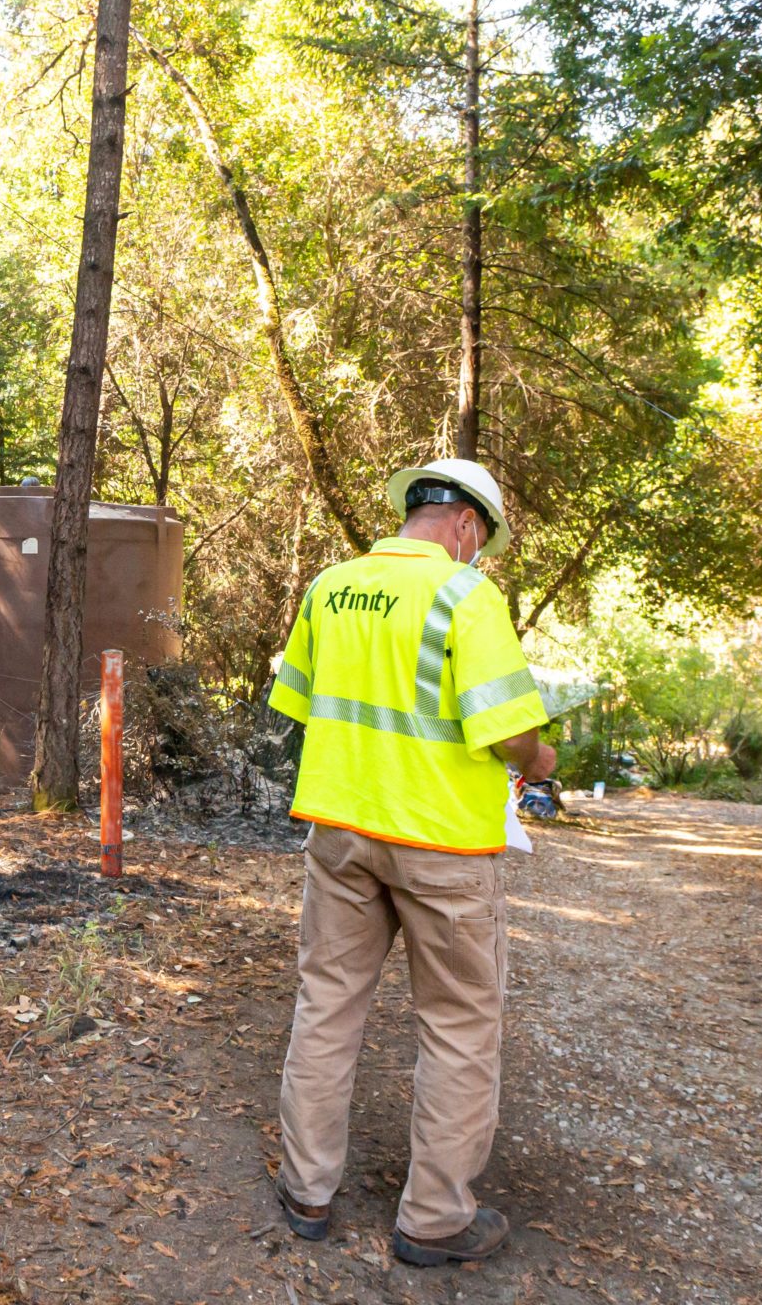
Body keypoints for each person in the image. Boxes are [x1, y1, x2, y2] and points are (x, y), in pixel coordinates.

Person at [265, 459, 555, 1267]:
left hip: (341, 830)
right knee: (459, 1029)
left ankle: (307, 1192)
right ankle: (432, 1222)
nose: (478, 553)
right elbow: (507, 733)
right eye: (482, 540)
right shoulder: (467, 595)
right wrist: (543, 755)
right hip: (442, 846)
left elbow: (296, 701)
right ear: (466, 524)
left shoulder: (331, 586)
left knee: (326, 1005)